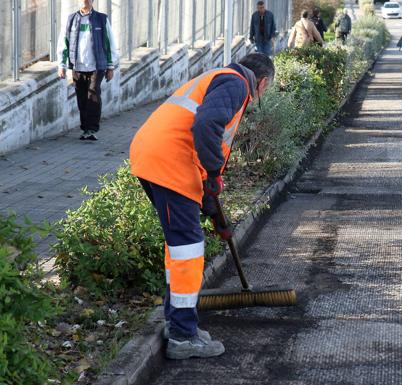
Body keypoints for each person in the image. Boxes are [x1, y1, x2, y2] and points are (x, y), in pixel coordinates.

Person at [129, 53, 274, 360]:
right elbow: (207, 125)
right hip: (169, 162)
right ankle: (183, 336)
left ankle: (176, 323)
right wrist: (213, 172)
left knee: (181, 246)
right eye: (267, 89)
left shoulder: (221, 78)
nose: (263, 94)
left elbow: (205, 136)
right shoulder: (236, 85)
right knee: (188, 248)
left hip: (157, 157)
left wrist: (212, 206)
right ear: (261, 82)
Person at [57, 0, 118, 141]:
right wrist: (62, 65)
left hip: (97, 66)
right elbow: (63, 42)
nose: (85, 1)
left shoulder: (102, 19)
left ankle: (91, 129)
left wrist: (110, 66)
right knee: (82, 97)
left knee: (93, 95)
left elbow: (110, 42)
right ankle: (85, 129)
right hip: (78, 67)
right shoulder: (71, 19)